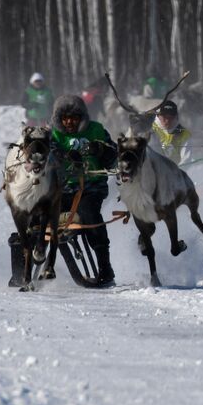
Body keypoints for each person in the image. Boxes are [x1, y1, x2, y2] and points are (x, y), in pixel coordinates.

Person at [48, 95, 117, 288]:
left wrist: (101, 150)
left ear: (82, 117)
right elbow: (48, 155)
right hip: (62, 189)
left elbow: (114, 157)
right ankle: (34, 261)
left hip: (91, 187)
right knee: (41, 216)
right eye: (65, 118)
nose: (69, 122)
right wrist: (62, 155)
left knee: (89, 215)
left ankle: (105, 266)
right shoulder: (54, 134)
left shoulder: (96, 130)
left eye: (74, 117)